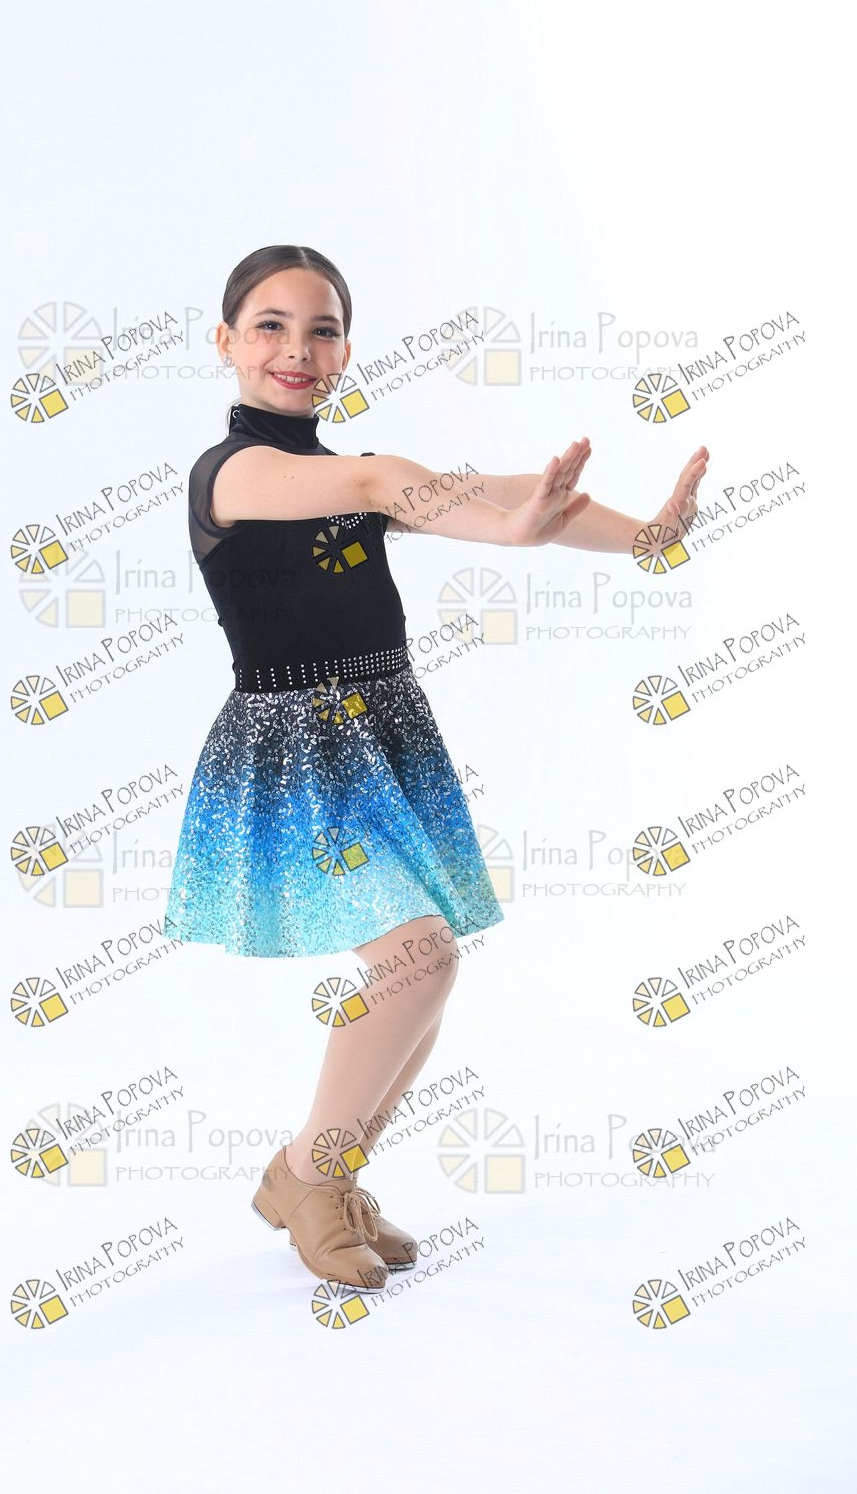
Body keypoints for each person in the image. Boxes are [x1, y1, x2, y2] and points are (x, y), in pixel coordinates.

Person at [165, 244, 706, 1293]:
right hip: (295, 753)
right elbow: (392, 486)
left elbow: (500, 491)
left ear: (344, 352)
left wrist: (643, 535)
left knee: (429, 963)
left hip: (381, 733)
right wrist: (507, 529)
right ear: (227, 341)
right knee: (415, 960)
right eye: (270, 325)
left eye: (321, 329)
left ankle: (325, 1177)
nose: (296, 347)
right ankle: (307, 1175)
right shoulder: (232, 474)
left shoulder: (354, 472)